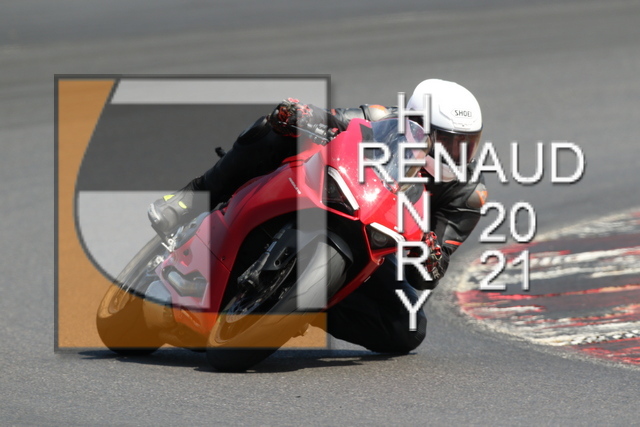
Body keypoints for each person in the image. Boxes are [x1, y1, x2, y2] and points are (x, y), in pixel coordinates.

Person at [148, 79, 487, 353]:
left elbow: (429, 270)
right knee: (276, 129)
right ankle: (192, 198)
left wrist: (431, 257)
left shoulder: (468, 194)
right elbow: (335, 121)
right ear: (417, 124)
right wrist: (303, 115)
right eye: (446, 143)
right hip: (331, 192)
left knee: (407, 329)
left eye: (465, 145)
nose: (455, 156)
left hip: (377, 248)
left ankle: (302, 304)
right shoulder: (383, 119)